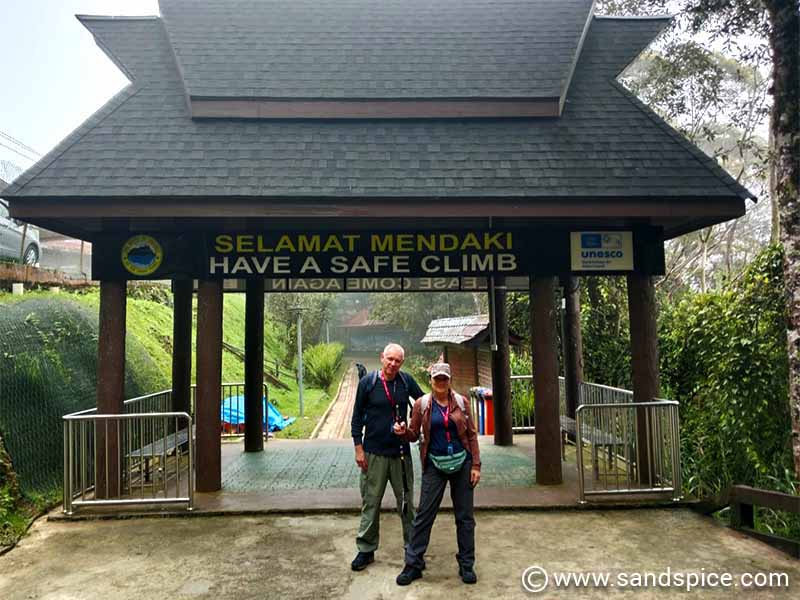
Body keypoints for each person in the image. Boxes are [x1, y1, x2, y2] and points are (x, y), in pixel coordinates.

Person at [392, 362, 481, 585]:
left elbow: (471, 436)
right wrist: (403, 433)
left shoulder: (462, 402)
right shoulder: (422, 404)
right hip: (434, 464)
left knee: (465, 517)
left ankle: (467, 564)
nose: (440, 382)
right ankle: (413, 564)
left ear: (449, 380)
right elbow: (414, 434)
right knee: (424, 515)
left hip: (462, 463)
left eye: (444, 378)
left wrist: (476, 466)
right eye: (436, 379)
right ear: (430, 380)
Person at [350, 343, 425, 571]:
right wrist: (358, 449)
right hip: (373, 453)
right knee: (371, 502)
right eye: (390, 359)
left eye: (398, 361)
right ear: (382, 357)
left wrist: (411, 427)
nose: (393, 364)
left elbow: (423, 404)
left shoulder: (406, 382)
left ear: (402, 363)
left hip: (400, 454)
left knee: (407, 505)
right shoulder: (368, 383)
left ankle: (412, 551)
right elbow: (356, 419)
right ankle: (366, 549)